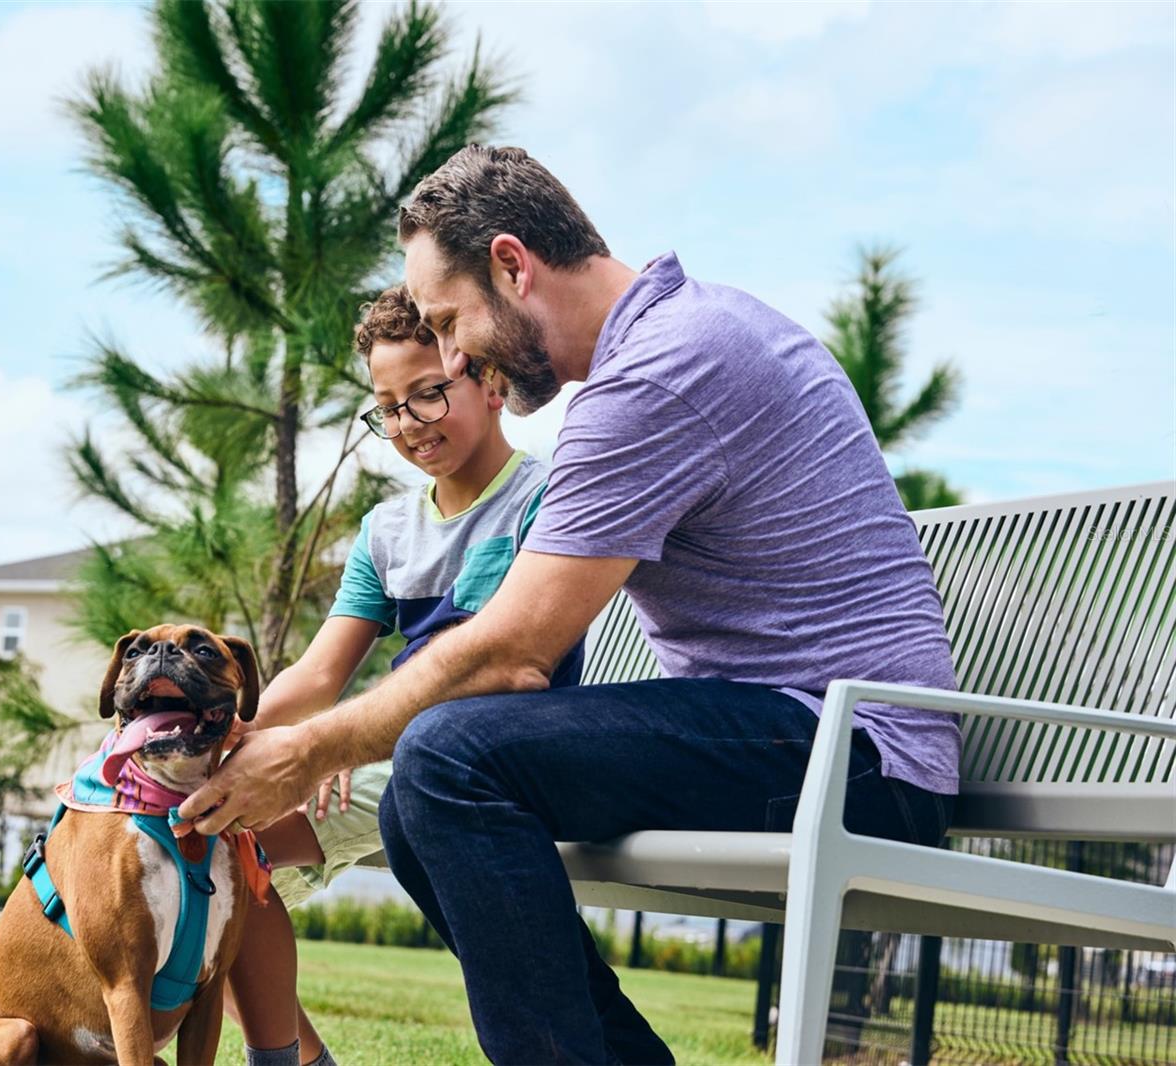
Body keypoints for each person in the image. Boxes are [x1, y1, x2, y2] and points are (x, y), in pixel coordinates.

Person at [182, 145, 962, 1065]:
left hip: (860, 758)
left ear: (513, 265)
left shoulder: (663, 371)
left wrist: (307, 750)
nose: (454, 352)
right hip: (801, 733)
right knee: (415, 801)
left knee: (445, 760)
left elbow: (509, 654)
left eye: (449, 320)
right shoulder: (679, 339)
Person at [225, 283, 584, 1066]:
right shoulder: (388, 530)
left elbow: (512, 665)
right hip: (390, 747)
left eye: (429, 395)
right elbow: (321, 675)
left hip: (487, 757)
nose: (408, 426)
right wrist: (238, 739)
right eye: (388, 408)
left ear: (490, 382)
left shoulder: (543, 499)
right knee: (216, 852)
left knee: (223, 854)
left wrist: (332, 748)